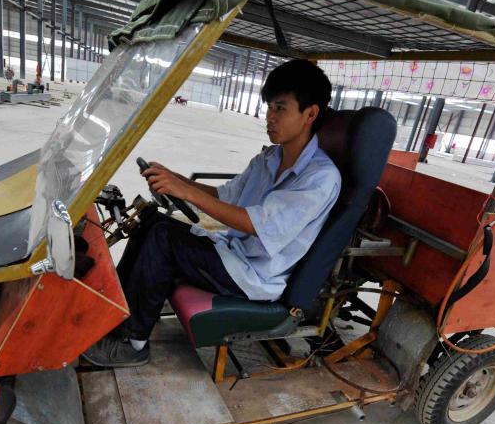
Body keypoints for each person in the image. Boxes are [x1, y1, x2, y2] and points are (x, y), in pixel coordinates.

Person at [82, 59, 341, 367]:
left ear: (310, 114)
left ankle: (133, 343)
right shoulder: (269, 159)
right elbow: (224, 195)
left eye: (280, 108)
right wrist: (175, 179)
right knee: (151, 218)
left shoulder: (320, 178)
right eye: (269, 107)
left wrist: (186, 191)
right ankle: (113, 313)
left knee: (164, 238)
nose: (269, 117)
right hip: (233, 252)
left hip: (254, 275)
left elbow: (256, 224)